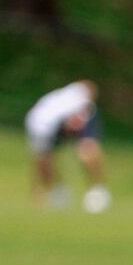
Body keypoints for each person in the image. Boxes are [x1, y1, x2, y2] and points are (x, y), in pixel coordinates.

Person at [26, 79, 110, 211]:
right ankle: (57, 191)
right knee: (44, 159)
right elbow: (39, 160)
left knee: (86, 151)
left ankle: (97, 191)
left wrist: (79, 123)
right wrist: (37, 190)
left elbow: (89, 87)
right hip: (50, 126)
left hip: (72, 116)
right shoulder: (39, 123)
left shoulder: (78, 100)